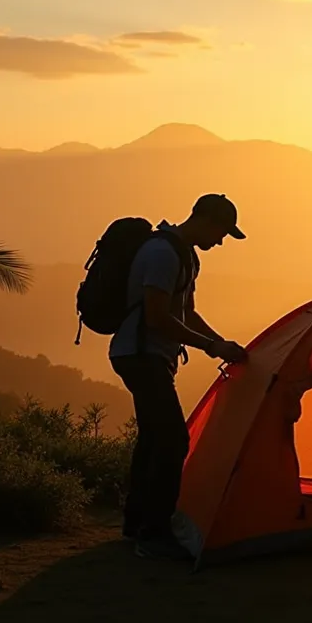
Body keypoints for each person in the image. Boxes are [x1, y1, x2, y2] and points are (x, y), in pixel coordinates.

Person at [110, 193, 249, 559]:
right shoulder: (163, 254)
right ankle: (155, 533)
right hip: (140, 355)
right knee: (173, 441)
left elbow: (186, 313)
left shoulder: (185, 255)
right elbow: (157, 317)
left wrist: (219, 343)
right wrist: (211, 346)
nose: (220, 241)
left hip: (149, 356)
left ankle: (136, 524)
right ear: (205, 220)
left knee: (153, 439)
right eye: (221, 232)